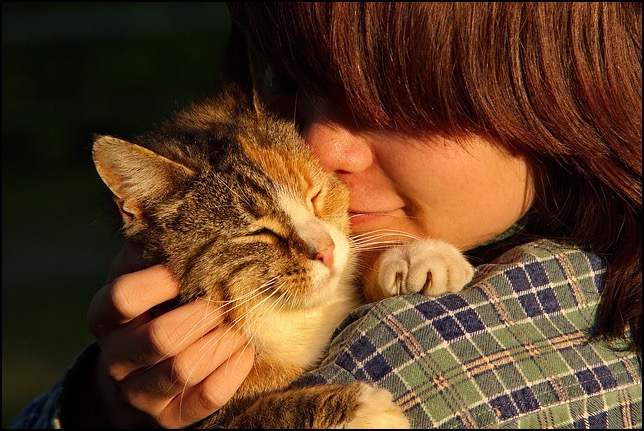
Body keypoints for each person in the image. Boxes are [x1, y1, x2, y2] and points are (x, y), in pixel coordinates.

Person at [12, 2, 641, 429]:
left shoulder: (418, 367)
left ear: (560, 84)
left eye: (388, 99)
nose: (315, 151)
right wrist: (104, 402)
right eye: (288, 82)